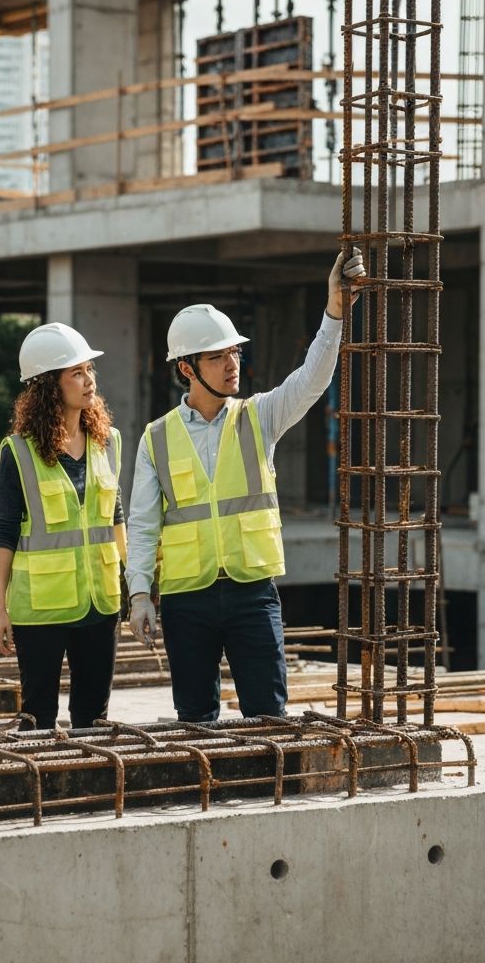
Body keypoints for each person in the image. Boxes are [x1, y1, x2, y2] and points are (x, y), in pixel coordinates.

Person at [125, 250, 366, 722]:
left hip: (252, 593)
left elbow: (312, 379)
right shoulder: (156, 438)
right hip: (185, 600)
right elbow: (143, 523)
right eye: (217, 357)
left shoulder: (258, 417)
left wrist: (334, 311)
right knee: (195, 720)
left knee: (269, 716)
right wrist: (138, 595)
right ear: (187, 369)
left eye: (235, 352)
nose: (232, 363)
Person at [0, 322, 126, 730]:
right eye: (77, 373)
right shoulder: (19, 452)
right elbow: (5, 531)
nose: (89, 381)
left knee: (93, 719)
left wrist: (134, 584)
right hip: (41, 609)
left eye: (90, 371)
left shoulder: (109, 443)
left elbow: (115, 520)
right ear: (50, 385)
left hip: (101, 603)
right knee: (37, 719)